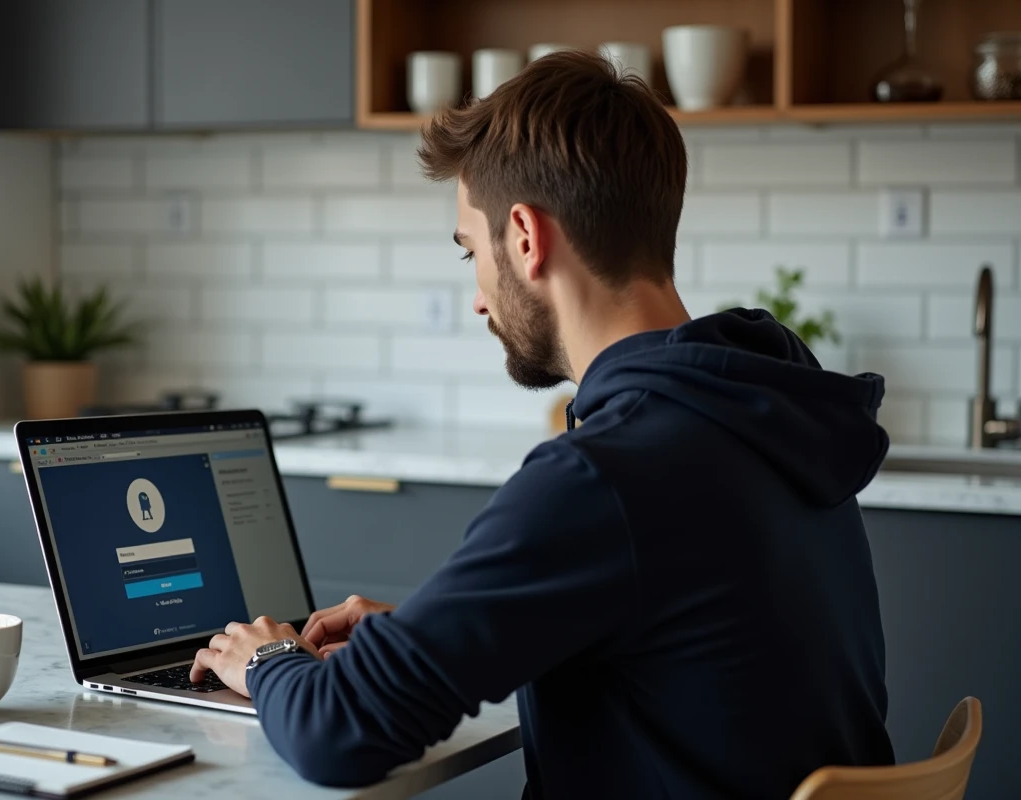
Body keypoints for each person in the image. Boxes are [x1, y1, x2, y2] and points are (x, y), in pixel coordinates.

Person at [190, 51, 895, 798]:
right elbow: (682, 639)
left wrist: (266, 660)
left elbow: (340, 733)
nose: (478, 298)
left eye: (471, 250)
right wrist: (436, 632)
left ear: (525, 237)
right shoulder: (764, 413)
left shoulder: (607, 474)